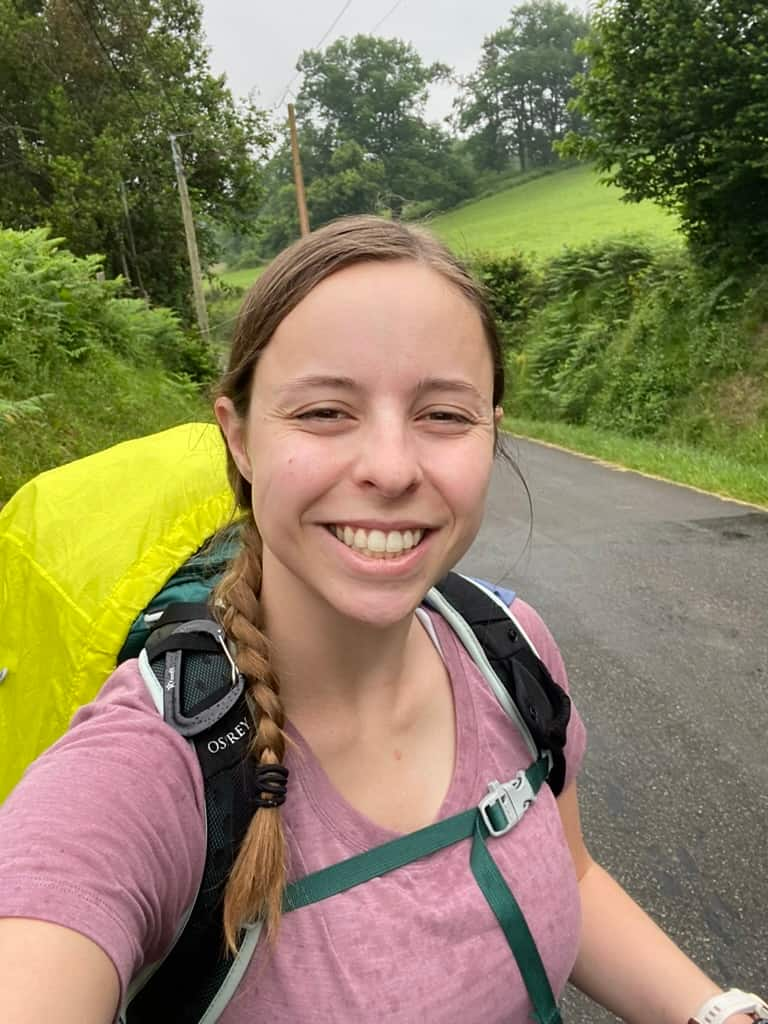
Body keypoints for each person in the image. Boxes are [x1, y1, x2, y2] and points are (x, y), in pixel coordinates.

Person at [0, 216, 763, 1024]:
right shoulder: (146, 771)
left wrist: (716, 1012)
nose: (393, 469)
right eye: (326, 412)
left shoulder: (508, 649)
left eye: (444, 416)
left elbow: (569, 876)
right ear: (241, 437)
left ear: (492, 433)